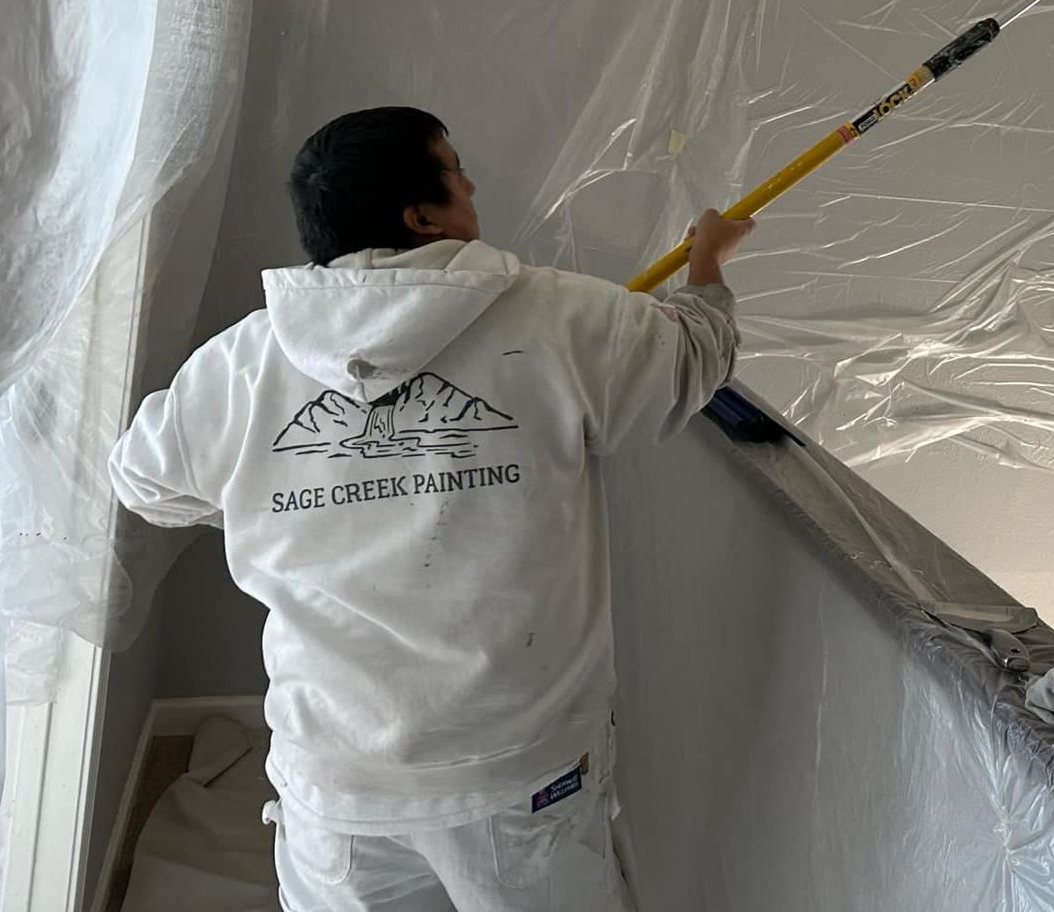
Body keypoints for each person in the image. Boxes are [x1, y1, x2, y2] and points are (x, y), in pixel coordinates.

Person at [109, 106, 751, 911]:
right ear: (421, 216)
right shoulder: (564, 318)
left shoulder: (239, 365)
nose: (472, 184)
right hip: (517, 775)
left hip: (334, 785)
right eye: (455, 170)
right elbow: (695, 357)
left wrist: (275, 496)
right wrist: (708, 263)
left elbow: (145, 483)